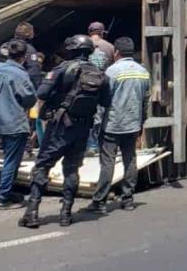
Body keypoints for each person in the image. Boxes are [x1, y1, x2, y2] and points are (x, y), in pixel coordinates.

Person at [19, 35, 111, 228]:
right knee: (72, 170)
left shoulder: (63, 68)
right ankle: (66, 214)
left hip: (60, 126)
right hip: (83, 128)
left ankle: (32, 212)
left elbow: (42, 93)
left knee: (43, 166)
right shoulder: (101, 74)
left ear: (72, 50)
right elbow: (105, 102)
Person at [86, 37, 149, 214]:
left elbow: (103, 101)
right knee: (130, 160)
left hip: (112, 125)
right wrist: (141, 121)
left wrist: (96, 124)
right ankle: (127, 199)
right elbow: (146, 100)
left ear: (116, 53)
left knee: (107, 162)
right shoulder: (143, 72)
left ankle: (100, 201)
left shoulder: (111, 72)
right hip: (133, 125)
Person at [0, 40, 37, 209]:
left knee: (8, 158)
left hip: (0, 122)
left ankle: (4, 191)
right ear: (23, 57)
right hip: (15, 122)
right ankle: (2, 198)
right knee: (12, 161)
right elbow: (30, 98)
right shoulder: (20, 74)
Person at [86, 22, 114, 154]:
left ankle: (88, 144)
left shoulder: (83, 43)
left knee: (85, 116)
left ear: (89, 32)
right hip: (102, 85)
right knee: (101, 117)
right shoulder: (109, 47)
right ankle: (96, 144)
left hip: (84, 86)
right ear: (102, 32)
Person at [0, 22, 42, 90]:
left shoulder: (4, 46)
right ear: (28, 34)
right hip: (19, 88)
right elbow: (34, 73)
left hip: (1, 86)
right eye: (32, 31)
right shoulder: (29, 50)